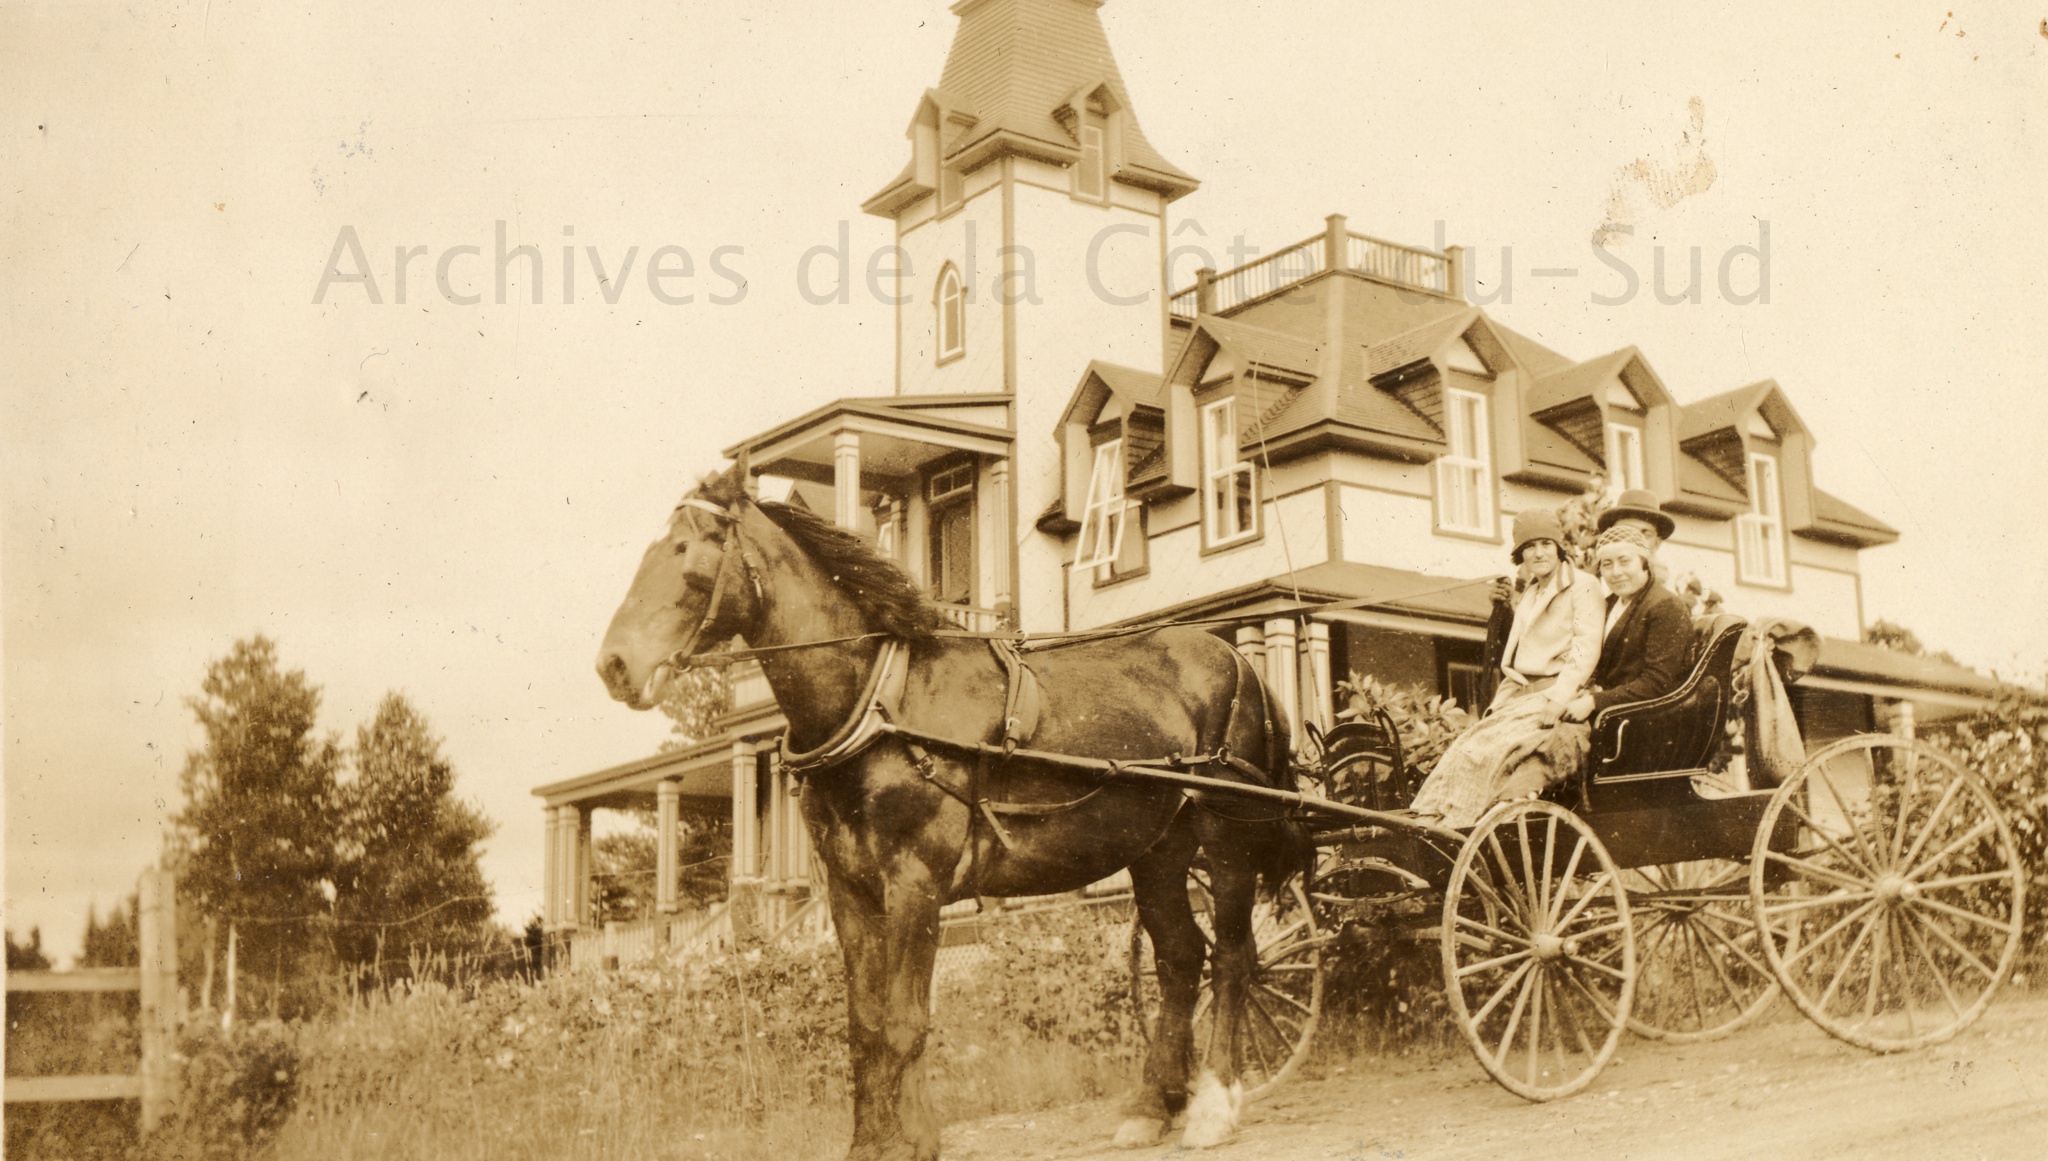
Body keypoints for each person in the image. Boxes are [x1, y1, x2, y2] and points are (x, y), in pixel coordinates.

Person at [1410, 510, 1604, 826]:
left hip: (1556, 696)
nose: (1539, 553)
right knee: (1466, 746)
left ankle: (1463, 823)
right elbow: (1519, 657)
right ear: (1520, 554)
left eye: (1546, 544)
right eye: (1530, 546)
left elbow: (1586, 650)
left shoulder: (1583, 586)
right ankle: (1434, 819)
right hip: (1521, 698)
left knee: (1494, 751)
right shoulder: (1531, 592)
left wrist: (1558, 700)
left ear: (1558, 547)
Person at [1558, 524, 1693, 726]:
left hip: (1643, 721)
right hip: (1610, 711)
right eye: (1607, 564)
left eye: (1625, 561)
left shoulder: (1666, 606)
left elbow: (1657, 683)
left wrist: (1594, 701)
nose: (1616, 572)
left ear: (1644, 563)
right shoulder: (1611, 603)